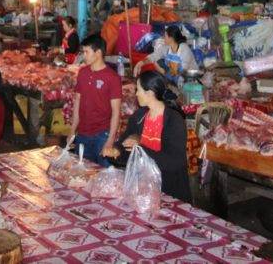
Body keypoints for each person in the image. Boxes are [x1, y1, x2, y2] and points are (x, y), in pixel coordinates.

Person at [105, 71, 191, 204]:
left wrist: (140, 147)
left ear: (150, 93)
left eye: (138, 90)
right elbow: (126, 144)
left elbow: (175, 162)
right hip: (143, 191)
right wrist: (116, 151)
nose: (136, 93)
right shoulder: (138, 116)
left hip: (170, 191)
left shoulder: (173, 120)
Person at [69, 36, 122, 167]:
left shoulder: (112, 78)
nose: (84, 55)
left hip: (101, 135)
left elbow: (116, 112)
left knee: (104, 174)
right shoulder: (82, 73)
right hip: (82, 134)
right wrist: (72, 130)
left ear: (98, 53)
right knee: (82, 174)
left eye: (87, 52)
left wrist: (110, 141)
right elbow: (77, 102)